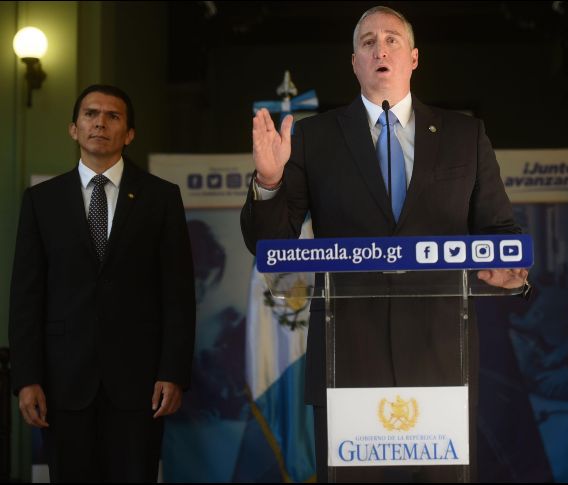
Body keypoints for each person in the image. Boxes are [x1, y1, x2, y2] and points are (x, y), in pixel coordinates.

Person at [241, 5, 529, 482]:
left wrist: (511, 267)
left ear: (414, 58)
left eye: (392, 39)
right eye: (368, 41)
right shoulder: (314, 137)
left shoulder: (464, 134)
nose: (380, 48)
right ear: (353, 61)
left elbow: (500, 230)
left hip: (441, 355)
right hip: (347, 355)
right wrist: (270, 180)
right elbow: (271, 243)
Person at [9, 84, 196, 482]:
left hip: (140, 384)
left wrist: (173, 371)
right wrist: (26, 378)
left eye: (113, 116)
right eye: (91, 114)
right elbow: (26, 297)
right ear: (74, 128)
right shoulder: (41, 201)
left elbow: (177, 294)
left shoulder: (161, 198)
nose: (100, 123)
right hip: (63, 384)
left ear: (128, 134)